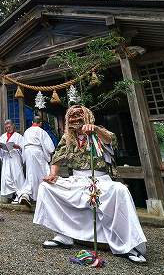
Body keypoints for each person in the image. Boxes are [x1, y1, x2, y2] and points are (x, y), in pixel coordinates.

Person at [33, 105, 148, 265]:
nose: (75, 119)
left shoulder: (99, 132)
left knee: (120, 190)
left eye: (78, 115)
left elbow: (111, 140)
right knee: (46, 188)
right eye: (71, 116)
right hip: (77, 181)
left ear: (87, 117)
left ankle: (128, 245)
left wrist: (95, 130)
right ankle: (63, 235)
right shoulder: (67, 137)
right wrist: (53, 174)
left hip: (100, 180)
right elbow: (57, 158)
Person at [22, 116, 55, 202]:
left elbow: (23, 144)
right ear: (40, 123)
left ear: (32, 122)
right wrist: (51, 152)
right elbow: (50, 147)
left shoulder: (26, 131)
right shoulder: (41, 131)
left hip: (27, 151)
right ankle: (42, 193)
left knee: (31, 173)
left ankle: (29, 193)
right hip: (37, 151)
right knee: (43, 171)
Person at [0, 120, 26, 204]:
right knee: (7, 177)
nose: (8, 128)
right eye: (6, 127)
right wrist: (0, 147)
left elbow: (23, 148)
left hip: (15, 158)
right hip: (6, 158)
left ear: (13, 126)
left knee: (17, 176)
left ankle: (20, 195)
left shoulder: (19, 137)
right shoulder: (2, 137)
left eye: (9, 127)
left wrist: (16, 146)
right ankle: (12, 195)